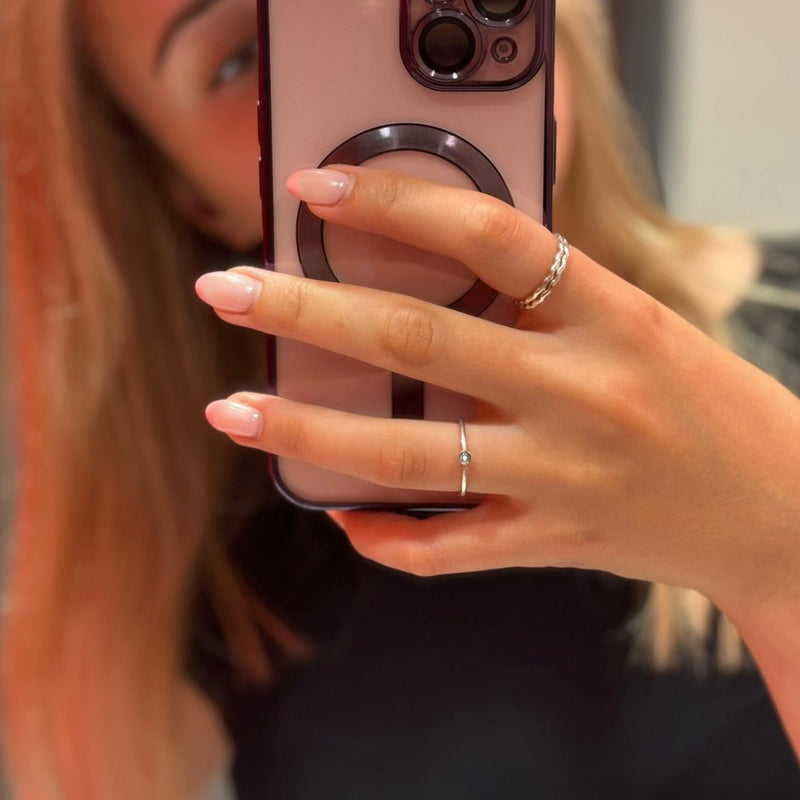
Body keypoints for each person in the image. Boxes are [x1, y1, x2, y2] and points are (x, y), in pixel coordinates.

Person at [1, 0, 799, 798]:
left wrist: (774, 538)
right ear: (191, 196)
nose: (376, 97)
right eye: (242, 55)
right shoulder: (200, 549)